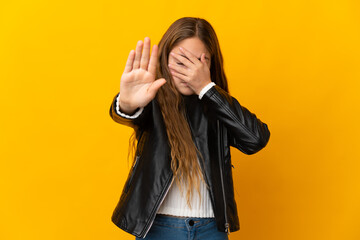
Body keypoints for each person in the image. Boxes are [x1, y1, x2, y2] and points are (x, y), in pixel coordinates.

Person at [109, 17, 270, 240]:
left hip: (211, 229)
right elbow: (127, 113)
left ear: (211, 65)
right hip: (157, 228)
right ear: (165, 60)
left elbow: (256, 139)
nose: (188, 72)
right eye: (180, 61)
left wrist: (207, 88)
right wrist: (127, 103)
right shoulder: (151, 99)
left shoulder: (217, 105)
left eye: (197, 62)